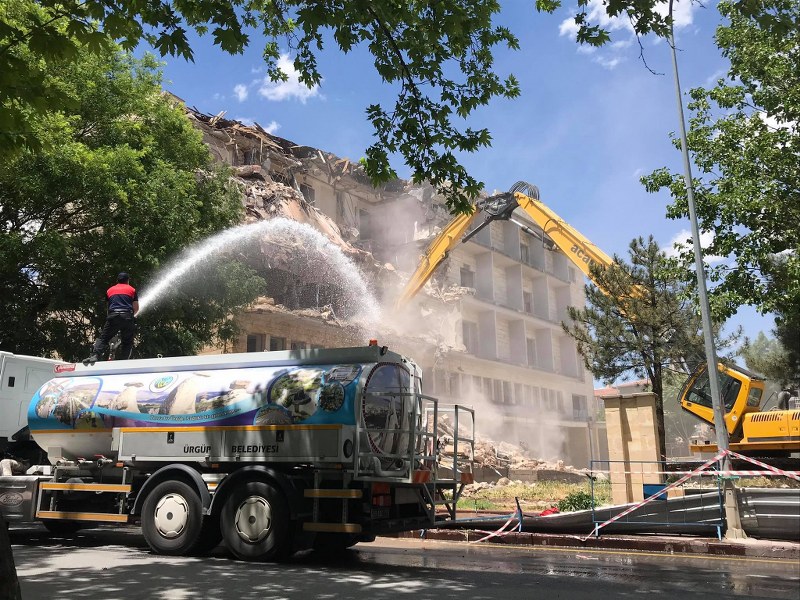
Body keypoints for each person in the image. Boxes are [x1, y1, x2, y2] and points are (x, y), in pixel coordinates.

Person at [84, 272, 139, 364]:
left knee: (103, 338)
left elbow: (108, 307)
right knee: (127, 341)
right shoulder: (132, 290)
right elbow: (136, 308)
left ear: (117, 280)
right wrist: (130, 317)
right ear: (128, 280)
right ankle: (124, 361)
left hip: (113, 316)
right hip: (127, 316)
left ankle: (94, 356)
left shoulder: (110, 290)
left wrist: (111, 318)